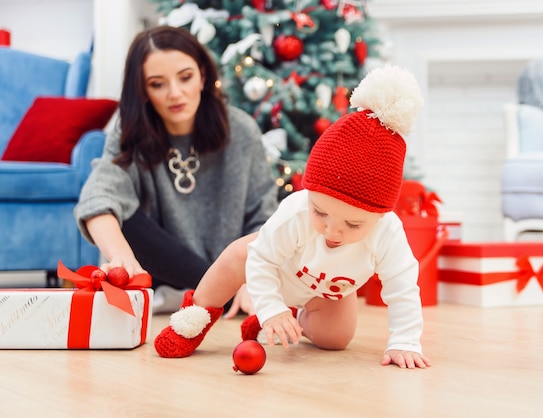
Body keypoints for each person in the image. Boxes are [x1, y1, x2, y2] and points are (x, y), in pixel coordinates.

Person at [153, 65, 431, 369]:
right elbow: (261, 261)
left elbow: (402, 286)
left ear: (380, 215)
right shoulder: (296, 212)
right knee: (237, 257)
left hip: (326, 292)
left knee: (336, 340)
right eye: (320, 212)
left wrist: (405, 340)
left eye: (353, 224)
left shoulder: (388, 233)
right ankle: (193, 321)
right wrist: (271, 306)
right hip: (276, 266)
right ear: (309, 194)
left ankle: (287, 319)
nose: (332, 230)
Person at [74, 26, 278, 315]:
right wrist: (121, 257)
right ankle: (216, 294)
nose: (175, 93)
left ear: (203, 76)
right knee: (120, 210)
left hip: (228, 272)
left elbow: (264, 218)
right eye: (157, 84)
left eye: (185, 78)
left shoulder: (241, 130)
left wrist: (250, 277)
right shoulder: (131, 131)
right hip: (156, 274)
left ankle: (220, 292)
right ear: (143, 90)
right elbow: (97, 196)